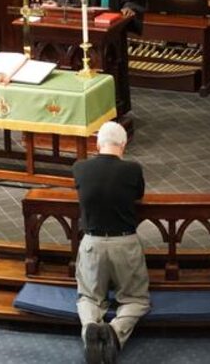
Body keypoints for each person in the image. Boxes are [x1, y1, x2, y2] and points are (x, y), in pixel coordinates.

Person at [74, 121, 150, 364]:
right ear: (124, 144)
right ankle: (114, 333)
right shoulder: (133, 170)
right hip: (124, 243)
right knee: (136, 299)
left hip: (92, 243)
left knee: (88, 298)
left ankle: (90, 330)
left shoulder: (80, 168)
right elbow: (138, 194)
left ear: (97, 143)